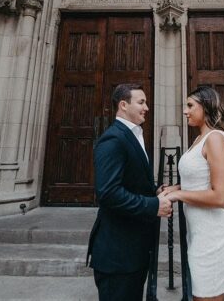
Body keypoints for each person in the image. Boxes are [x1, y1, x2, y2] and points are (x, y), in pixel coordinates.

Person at [87, 83, 173, 301]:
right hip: (118, 256)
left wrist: (154, 193)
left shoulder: (133, 135)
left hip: (133, 252)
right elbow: (108, 193)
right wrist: (153, 206)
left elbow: (128, 183)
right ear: (123, 105)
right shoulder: (113, 139)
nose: (146, 107)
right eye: (141, 102)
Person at [161, 86, 224, 301]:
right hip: (200, 233)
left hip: (216, 234)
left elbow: (221, 197)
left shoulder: (215, 138)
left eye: (190, 106)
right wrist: (175, 188)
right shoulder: (199, 139)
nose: (185, 111)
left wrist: (178, 196)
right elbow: (200, 181)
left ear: (206, 107)